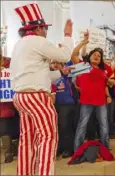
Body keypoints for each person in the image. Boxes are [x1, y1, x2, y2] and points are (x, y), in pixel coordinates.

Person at [9, 3, 73, 175]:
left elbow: (37, 73)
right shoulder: (38, 41)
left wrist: (58, 70)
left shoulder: (19, 45)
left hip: (21, 97)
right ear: (37, 28)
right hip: (37, 97)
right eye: (44, 28)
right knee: (48, 137)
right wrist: (67, 35)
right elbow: (65, 56)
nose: (46, 31)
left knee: (27, 140)